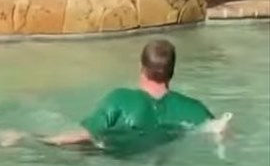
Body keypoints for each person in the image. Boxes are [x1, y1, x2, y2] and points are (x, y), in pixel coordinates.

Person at [41, 39, 218, 153]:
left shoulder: (119, 100)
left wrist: (34, 140)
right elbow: (221, 133)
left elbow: (84, 135)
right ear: (172, 71)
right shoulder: (194, 109)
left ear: (141, 67)